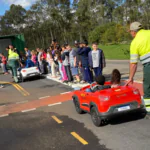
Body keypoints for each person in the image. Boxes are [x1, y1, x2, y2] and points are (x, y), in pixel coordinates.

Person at [125, 22, 150, 115]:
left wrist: (131, 77)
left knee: (147, 88)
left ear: (134, 32)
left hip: (149, 65)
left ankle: (149, 111)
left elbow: (133, 64)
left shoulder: (135, 42)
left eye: (130, 32)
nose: (131, 34)